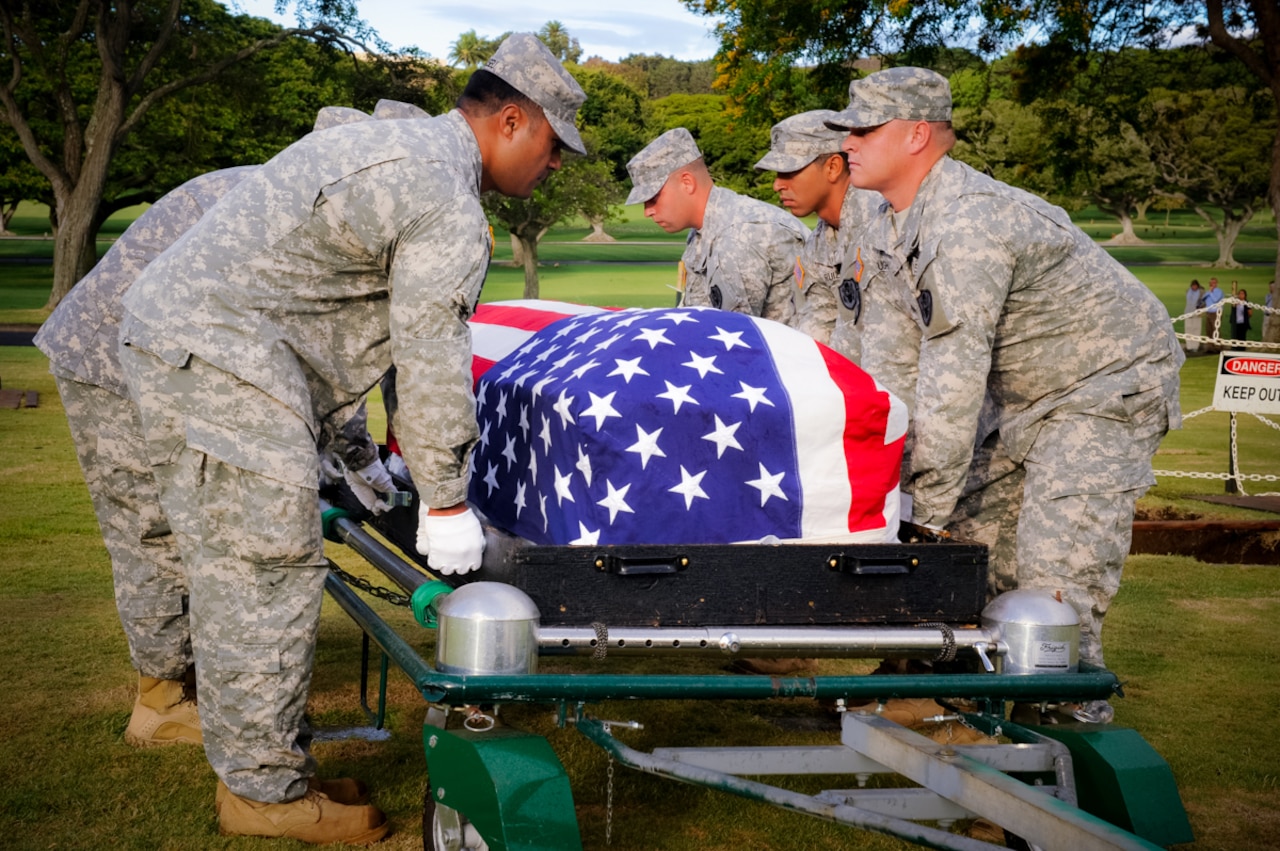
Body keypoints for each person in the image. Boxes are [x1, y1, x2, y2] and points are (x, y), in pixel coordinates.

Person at [118, 33, 585, 845]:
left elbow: (392, 336)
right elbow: (430, 351)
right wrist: (445, 497)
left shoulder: (397, 148)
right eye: (552, 147)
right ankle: (263, 792)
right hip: (225, 354)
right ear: (511, 120)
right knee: (263, 571)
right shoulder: (445, 199)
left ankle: (269, 765)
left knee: (254, 568)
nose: (554, 168)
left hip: (201, 342)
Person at [32, 101, 424, 755]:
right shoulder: (308, 217)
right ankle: (161, 703)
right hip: (112, 359)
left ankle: (193, 683)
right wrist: (368, 466)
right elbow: (322, 362)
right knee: (154, 533)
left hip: (163, 356)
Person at [827, 67, 1183, 723]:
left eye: (864, 128)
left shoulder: (970, 226)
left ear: (916, 135)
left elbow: (953, 380)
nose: (847, 141)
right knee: (975, 557)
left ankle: (1070, 734)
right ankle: (967, 717)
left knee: (1054, 580)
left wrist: (923, 515)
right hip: (1016, 400)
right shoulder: (881, 220)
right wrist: (894, 487)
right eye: (846, 128)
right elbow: (893, 364)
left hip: (1102, 387)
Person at [626, 127, 807, 324]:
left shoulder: (738, 236)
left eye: (653, 198)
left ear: (687, 183)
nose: (647, 211)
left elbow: (731, 336)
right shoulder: (704, 230)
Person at [754, 110, 883, 363]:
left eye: (789, 171)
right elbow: (816, 331)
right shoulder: (820, 241)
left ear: (833, 167)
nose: (777, 185)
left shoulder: (878, 224)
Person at [1203, 277, 1225, 351]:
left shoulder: (1219, 291)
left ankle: (1218, 346)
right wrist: (1209, 292)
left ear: (1216, 283)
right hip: (1208, 312)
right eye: (1211, 283)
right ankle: (1210, 347)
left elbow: (1215, 300)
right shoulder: (1208, 292)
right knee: (1209, 329)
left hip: (1216, 312)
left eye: (1213, 283)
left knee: (1216, 330)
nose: (1212, 284)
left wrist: (1211, 293)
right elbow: (1203, 298)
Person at [1183, 279, 1203, 353]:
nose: (1194, 287)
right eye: (1193, 285)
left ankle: (1195, 346)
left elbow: (1203, 302)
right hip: (1188, 312)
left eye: (1195, 286)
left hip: (1197, 313)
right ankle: (1189, 346)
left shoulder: (1201, 292)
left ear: (1197, 286)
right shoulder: (1188, 291)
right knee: (1188, 329)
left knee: (1196, 329)